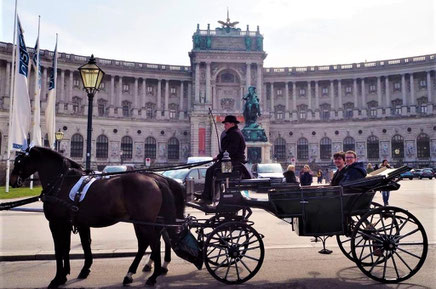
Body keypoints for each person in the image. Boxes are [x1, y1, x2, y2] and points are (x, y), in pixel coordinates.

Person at [196, 115, 249, 205]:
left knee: (210, 171)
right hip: (230, 162)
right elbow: (228, 150)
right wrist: (219, 156)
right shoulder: (233, 133)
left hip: (232, 163)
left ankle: (207, 198)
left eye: (226, 124)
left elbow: (231, 151)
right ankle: (210, 195)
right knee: (214, 172)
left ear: (232, 124)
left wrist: (219, 156)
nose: (225, 126)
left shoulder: (235, 134)